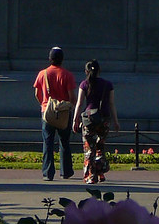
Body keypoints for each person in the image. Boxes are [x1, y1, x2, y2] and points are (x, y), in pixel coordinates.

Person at [72, 59, 120, 184]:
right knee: (100, 146)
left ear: (85, 71)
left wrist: (75, 119)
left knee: (89, 148)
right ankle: (101, 173)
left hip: (89, 119)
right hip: (104, 119)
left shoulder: (84, 84)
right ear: (99, 71)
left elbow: (79, 103)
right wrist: (115, 121)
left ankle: (90, 176)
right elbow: (111, 103)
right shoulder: (108, 85)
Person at [33, 46, 77, 180]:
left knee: (48, 142)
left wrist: (43, 104)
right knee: (64, 141)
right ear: (62, 59)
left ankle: (48, 172)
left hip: (47, 112)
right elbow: (71, 95)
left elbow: (37, 93)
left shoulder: (43, 74)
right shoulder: (67, 75)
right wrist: (71, 106)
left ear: (50, 59)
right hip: (63, 112)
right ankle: (66, 171)